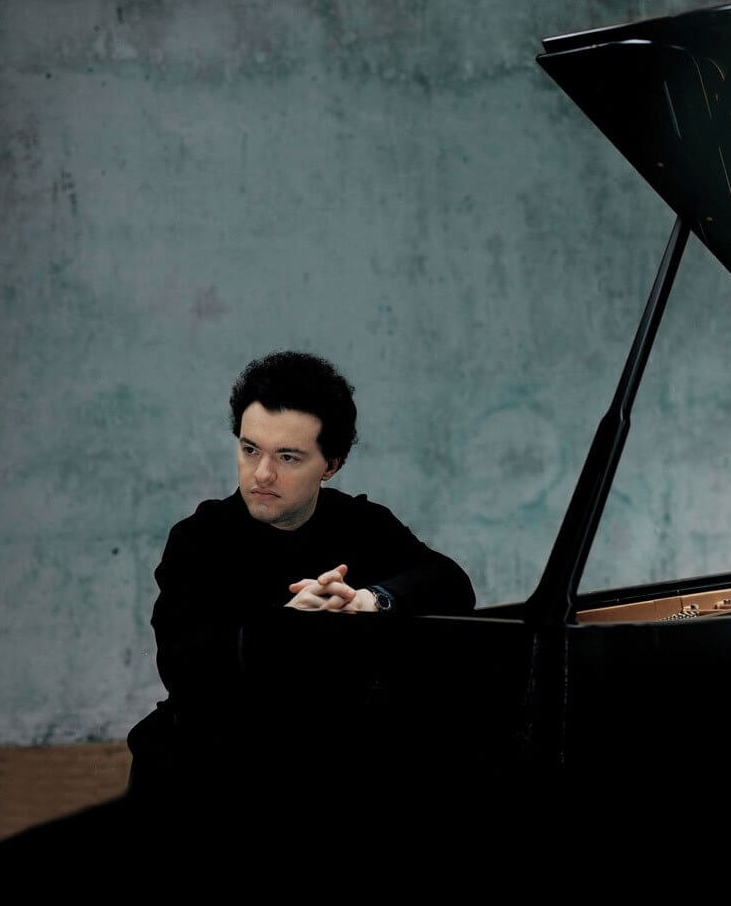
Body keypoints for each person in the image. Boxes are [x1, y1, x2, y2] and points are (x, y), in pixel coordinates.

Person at [126, 351, 476, 825]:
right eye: (250, 450)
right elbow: (186, 669)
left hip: (331, 760)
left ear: (330, 465)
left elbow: (450, 582)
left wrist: (369, 600)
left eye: (287, 457)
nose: (262, 474)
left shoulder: (362, 523)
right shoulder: (200, 538)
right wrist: (289, 626)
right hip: (219, 766)